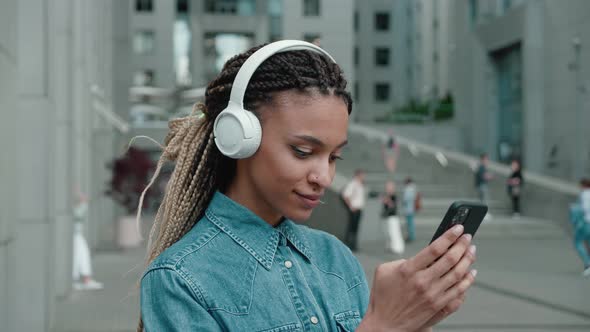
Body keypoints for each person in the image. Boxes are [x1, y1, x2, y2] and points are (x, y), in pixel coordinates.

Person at [138, 40, 477, 331]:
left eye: (334, 158)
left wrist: (414, 319)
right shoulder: (180, 279)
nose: (324, 178)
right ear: (238, 139)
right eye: (303, 152)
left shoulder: (337, 259)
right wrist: (383, 325)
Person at [72, 191, 103, 291]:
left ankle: (84, 279)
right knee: (80, 255)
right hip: (74, 235)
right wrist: (83, 200)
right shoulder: (74, 209)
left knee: (81, 255)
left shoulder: (77, 207)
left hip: (76, 234)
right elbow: (78, 212)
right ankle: (82, 280)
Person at [342, 169, 366, 251]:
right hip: (354, 209)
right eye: (362, 175)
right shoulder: (353, 184)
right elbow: (345, 195)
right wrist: (351, 206)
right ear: (358, 175)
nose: (363, 177)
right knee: (351, 228)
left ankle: (354, 245)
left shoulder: (360, 185)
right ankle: (349, 245)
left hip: (359, 209)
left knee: (355, 228)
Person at [572, 178, 590, 277]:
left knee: (577, 242)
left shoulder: (584, 195)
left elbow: (584, 208)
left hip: (586, 222)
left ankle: (588, 264)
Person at [382, 181, 404, 254]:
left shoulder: (393, 196)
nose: (387, 189)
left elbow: (392, 205)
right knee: (389, 233)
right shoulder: (387, 196)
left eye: (389, 187)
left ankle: (398, 248)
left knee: (395, 232)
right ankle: (392, 246)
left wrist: (387, 200)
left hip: (393, 217)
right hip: (388, 217)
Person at [475, 153, 493, 219]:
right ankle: (484, 213)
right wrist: (490, 176)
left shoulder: (480, 167)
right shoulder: (481, 167)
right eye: (486, 159)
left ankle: (483, 214)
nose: (487, 161)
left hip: (481, 185)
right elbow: (483, 176)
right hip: (482, 185)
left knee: (482, 200)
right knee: (484, 200)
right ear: (482, 160)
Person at [403, 177, 418, 243]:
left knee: (410, 224)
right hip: (412, 208)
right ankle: (411, 236)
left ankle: (410, 236)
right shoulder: (414, 188)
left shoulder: (408, 189)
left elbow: (405, 199)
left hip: (408, 209)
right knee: (411, 223)